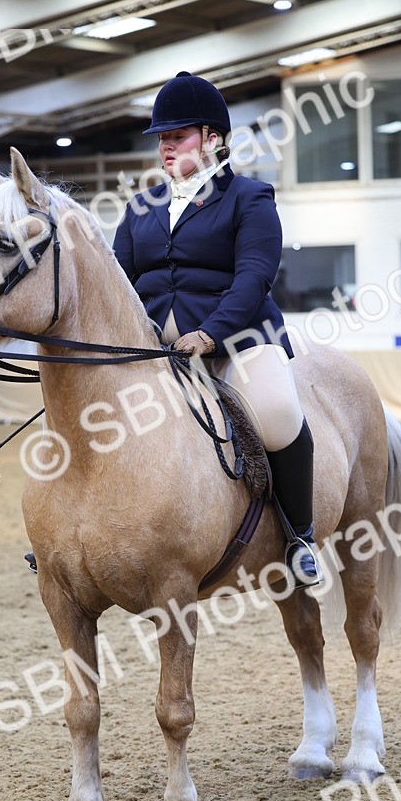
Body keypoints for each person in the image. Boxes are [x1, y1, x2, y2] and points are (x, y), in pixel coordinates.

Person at [113, 71, 320, 584]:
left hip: (238, 341)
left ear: (212, 138)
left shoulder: (250, 197)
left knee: (277, 413)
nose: (165, 146)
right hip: (158, 350)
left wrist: (208, 334)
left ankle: (300, 535)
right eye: (162, 137)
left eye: (177, 135)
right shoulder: (140, 209)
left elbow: (254, 277)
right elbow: (118, 282)